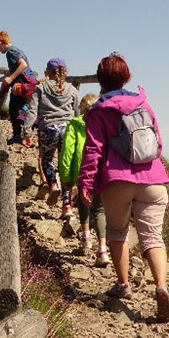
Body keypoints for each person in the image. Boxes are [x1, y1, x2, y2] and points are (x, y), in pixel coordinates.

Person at [78, 53, 169, 320]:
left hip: (118, 181)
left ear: (100, 80)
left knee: (117, 232)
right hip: (153, 180)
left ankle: (123, 286)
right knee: (153, 238)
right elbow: (158, 143)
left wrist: (85, 183)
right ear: (126, 76)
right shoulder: (143, 103)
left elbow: (93, 151)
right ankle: (161, 286)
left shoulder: (99, 111)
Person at [58, 94, 110, 267]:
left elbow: (67, 151)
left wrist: (65, 176)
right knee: (100, 210)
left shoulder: (74, 124)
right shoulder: (104, 124)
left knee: (83, 201)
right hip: (101, 169)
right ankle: (102, 249)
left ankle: (86, 238)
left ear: (81, 109)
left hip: (82, 169)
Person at [23, 58, 80, 206]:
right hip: (68, 131)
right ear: (65, 72)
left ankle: (53, 185)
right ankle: (67, 206)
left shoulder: (41, 89)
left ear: (47, 73)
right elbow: (78, 113)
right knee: (65, 165)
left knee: (47, 160)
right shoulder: (72, 90)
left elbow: (32, 111)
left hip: (48, 129)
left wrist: (27, 132)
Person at [0, 31, 38, 145]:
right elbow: (11, 71)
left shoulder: (10, 52)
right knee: (23, 107)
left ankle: (17, 135)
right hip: (28, 83)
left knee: (13, 109)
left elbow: (22, 65)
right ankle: (31, 126)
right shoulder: (17, 50)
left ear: (0, 43)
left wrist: (10, 79)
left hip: (21, 85)